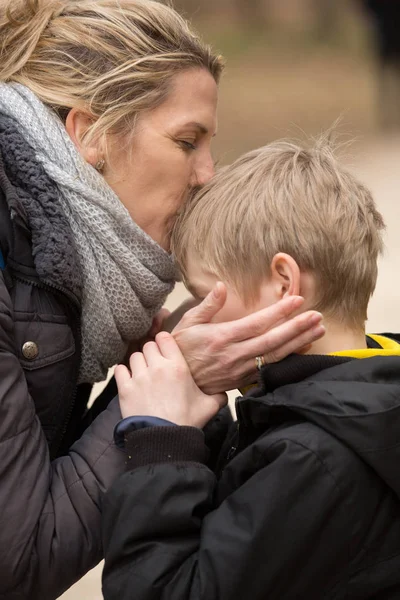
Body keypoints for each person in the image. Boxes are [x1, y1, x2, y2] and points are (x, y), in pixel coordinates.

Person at [0, 1, 325, 598]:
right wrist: (163, 401)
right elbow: (18, 558)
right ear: (89, 133)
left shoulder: (54, 247)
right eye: (187, 141)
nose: (208, 173)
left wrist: (162, 364)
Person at [102, 139, 400, 599]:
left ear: (283, 284)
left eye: (202, 297)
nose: (188, 318)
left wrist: (161, 444)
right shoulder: (361, 398)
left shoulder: (314, 458)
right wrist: (204, 413)